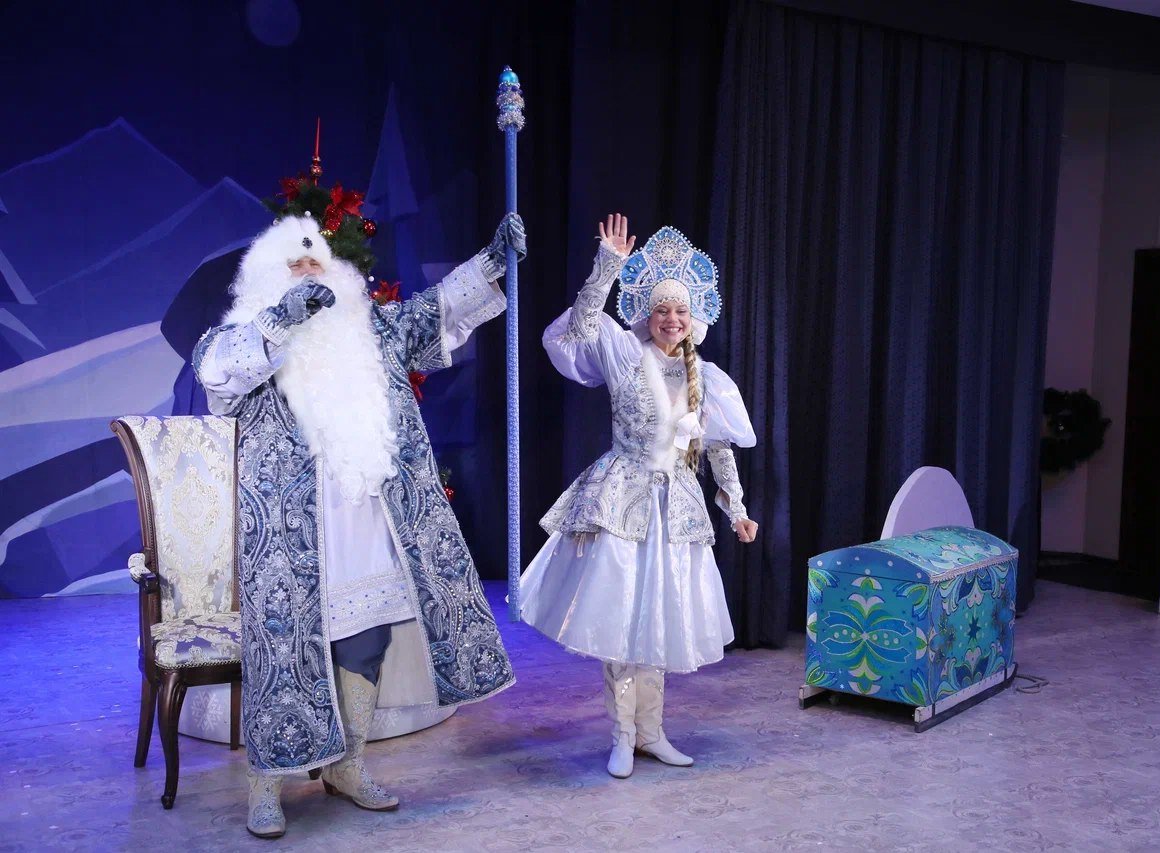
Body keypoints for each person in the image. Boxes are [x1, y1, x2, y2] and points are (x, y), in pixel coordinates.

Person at [194, 184, 524, 837]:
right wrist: (279, 319)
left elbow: (435, 311)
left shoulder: (372, 329)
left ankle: (347, 766)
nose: (309, 274)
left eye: (316, 264)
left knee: (367, 641)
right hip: (291, 535)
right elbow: (217, 375)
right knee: (284, 651)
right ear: (267, 278)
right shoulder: (242, 337)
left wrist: (490, 263)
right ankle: (267, 784)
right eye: (294, 266)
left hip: (367, 521)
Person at [520, 214, 758, 779]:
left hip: (676, 510)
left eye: (680, 311)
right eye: (661, 310)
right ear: (646, 314)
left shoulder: (707, 377)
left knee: (659, 623)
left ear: (694, 318)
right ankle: (622, 736)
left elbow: (717, 448)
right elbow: (580, 325)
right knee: (621, 622)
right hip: (623, 502)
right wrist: (607, 266)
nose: (671, 319)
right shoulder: (622, 352)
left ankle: (651, 733)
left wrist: (737, 509)